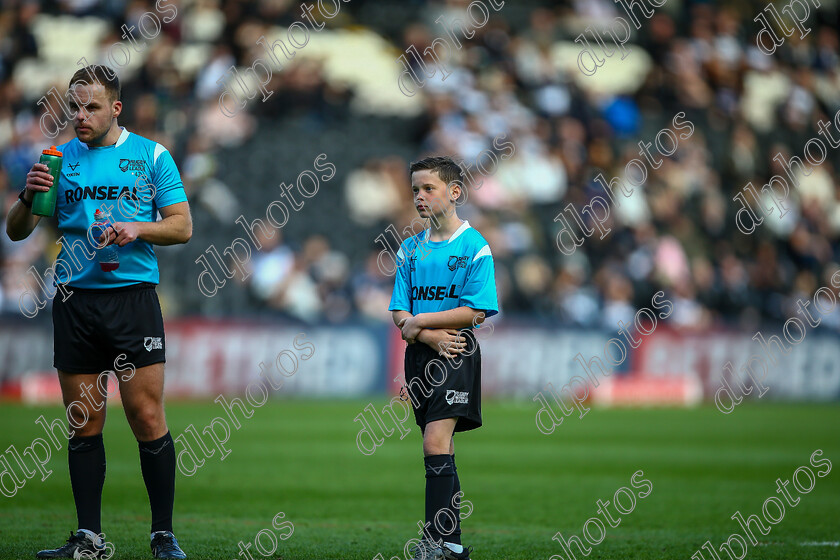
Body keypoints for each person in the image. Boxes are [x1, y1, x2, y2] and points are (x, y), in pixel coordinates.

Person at [5, 65, 191, 559]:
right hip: (74, 300)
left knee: (146, 416)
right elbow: (17, 230)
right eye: (74, 107)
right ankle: (89, 538)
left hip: (132, 300)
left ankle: (163, 535)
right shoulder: (58, 158)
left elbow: (182, 227)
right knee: (83, 422)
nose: (80, 116)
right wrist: (26, 195)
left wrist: (139, 228)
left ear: (116, 107)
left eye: (90, 106)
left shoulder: (152, 155)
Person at [388, 156, 498, 560]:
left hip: (455, 352)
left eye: (428, 188)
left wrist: (421, 324)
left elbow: (475, 311)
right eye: (415, 189)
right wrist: (424, 332)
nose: (419, 196)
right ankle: (451, 545)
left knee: (435, 442)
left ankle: (434, 543)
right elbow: (399, 312)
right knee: (441, 445)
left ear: (454, 192)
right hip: (421, 355)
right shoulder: (409, 249)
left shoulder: (474, 246)